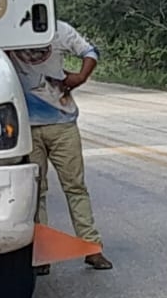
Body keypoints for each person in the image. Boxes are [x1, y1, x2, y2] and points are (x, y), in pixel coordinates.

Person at [7, 20, 113, 274]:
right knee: (36, 193)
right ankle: (42, 254)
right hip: (26, 126)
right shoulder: (6, 29)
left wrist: (79, 78)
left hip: (63, 123)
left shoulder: (57, 29)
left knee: (74, 186)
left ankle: (91, 248)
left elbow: (90, 52)